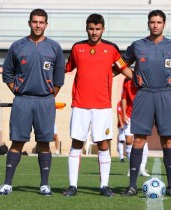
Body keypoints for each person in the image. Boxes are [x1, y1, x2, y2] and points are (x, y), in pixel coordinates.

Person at [63, 13, 132, 197]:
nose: (94, 32)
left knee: (103, 144)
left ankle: (104, 186)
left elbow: (123, 67)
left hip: (102, 106)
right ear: (86, 28)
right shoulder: (77, 48)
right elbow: (66, 68)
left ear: (103, 29)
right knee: (77, 143)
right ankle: (72, 186)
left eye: (97, 29)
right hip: (80, 104)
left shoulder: (111, 49)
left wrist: (139, 79)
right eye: (91, 29)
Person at [0, 8, 65, 196]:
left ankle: (44, 185)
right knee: (17, 141)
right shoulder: (18, 46)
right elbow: (7, 73)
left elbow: (59, 79)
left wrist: (49, 96)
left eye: (41, 22)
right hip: (23, 101)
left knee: (45, 142)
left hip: (45, 102)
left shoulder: (54, 47)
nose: (38, 25)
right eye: (35, 22)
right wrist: (17, 90)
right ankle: (7, 184)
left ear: (46, 24)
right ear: (29, 23)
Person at [121, 9, 171, 197]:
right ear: (148, 24)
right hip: (144, 94)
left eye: (159, 22)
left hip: (165, 94)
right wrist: (134, 78)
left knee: (168, 139)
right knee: (139, 139)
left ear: (164, 24)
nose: (155, 25)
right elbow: (120, 64)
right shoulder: (138, 45)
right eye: (152, 22)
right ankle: (132, 186)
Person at [121, 77, 150, 177]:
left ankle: (142, 167)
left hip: (143, 114)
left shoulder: (146, 77)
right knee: (129, 140)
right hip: (129, 114)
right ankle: (133, 166)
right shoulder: (126, 80)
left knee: (142, 140)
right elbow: (124, 97)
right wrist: (124, 114)